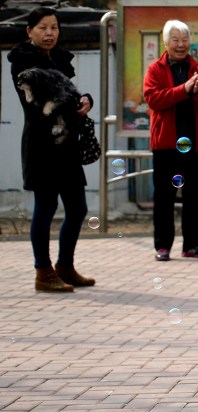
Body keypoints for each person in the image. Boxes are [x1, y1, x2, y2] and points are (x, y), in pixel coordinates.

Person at [8, 7, 95, 292]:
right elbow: (40, 102)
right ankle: (42, 272)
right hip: (41, 145)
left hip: (66, 143)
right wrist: (73, 104)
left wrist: (85, 100)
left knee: (78, 207)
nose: (49, 33)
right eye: (43, 27)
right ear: (29, 31)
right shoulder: (22, 60)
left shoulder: (59, 59)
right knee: (46, 207)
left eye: (54, 27)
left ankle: (65, 266)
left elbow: (72, 94)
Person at [143, 19, 198, 261]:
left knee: (194, 197)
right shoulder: (155, 69)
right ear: (166, 43)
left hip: (196, 145)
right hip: (166, 144)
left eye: (185, 39)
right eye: (175, 40)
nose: (181, 44)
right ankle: (162, 246)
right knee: (164, 197)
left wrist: (197, 91)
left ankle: (192, 244)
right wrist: (183, 90)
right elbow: (153, 99)